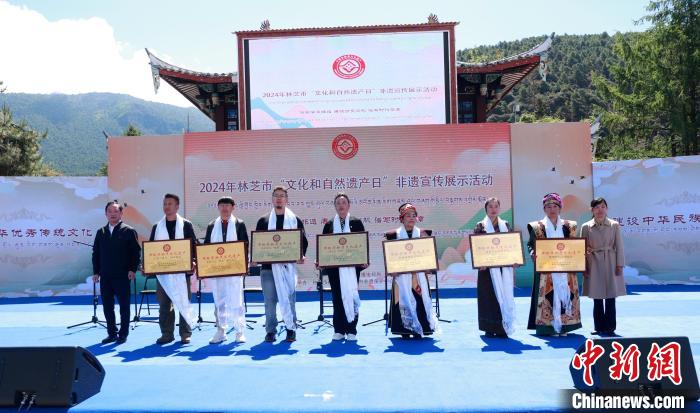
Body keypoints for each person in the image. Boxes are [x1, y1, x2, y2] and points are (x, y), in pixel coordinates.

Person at [254, 186, 308, 343]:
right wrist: (256, 257)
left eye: (282, 195)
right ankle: (271, 331)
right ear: (272, 199)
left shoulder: (294, 220)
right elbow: (258, 244)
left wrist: (300, 255)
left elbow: (303, 241)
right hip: (268, 268)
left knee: (290, 300)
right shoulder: (263, 221)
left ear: (286, 199)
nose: (279, 198)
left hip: (287, 267)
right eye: (276, 195)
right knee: (270, 302)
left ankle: (291, 329)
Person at [526, 193, 582, 336]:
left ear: (560, 208)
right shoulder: (537, 227)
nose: (552, 209)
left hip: (565, 268)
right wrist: (532, 253)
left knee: (566, 294)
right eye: (548, 206)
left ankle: (565, 326)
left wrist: (580, 254)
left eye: (555, 206)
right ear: (544, 209)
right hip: (546, 270)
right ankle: (548, 327)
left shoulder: (569, 226)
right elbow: (531, 244)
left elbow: (574, 245)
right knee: (548, 296)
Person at [149, 193, 198, 344]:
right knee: (164, 305)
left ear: (177, 206)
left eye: (170, 204)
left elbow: (193, 246)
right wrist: (148, 265)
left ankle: (185, 333)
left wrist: (193, 261)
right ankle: (167, 334)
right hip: (163, 274)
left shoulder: (186, 225)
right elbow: (151, 249)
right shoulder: (157, 227)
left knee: (183, 302)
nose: (167, 206)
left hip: (182, 272)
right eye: (165, 204)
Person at [319, 192, 367, 341]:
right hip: (334, 269)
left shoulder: (356, 222)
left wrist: (364, 259)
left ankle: (352, 329)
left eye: (343, 203)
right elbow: (324, 247)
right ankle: (339, 329)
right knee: (337, 298)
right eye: (338, 203)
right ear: (335, 206)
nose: (341, 206)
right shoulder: (329, 225)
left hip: (352, 268)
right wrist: (321, 260)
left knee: (351, 295)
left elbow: (362, 244)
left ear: (349, 205)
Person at [385, 203, 437, 338]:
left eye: (414, 215)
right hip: (401, 277)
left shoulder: (423, 234)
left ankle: (422, 328)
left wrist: (429, 266)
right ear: (402, 219)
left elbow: (428, 254)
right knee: (402, 298)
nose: (412, 218)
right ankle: (405, 329)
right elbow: (390, 255)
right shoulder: (393, 235)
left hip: (419, 276)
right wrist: (391, 269)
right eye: (408, 215)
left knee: (420, 299)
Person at [92, 200, 141, 344]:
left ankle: (123, 334)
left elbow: (135, 252)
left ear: (121, 213)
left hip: (122, 275)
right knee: (108, 306)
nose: (112, 214)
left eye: (115, 211)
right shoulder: (101, 232)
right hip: (105, 276)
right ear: (105, 214)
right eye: (109, 211)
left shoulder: (128, 231)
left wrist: (132, 269)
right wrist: (96, 272)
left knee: (124, 306)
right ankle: (111, 333)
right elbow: (96, 253)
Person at [203, 196, 249, 344]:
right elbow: (206, 247)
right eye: (222, 205)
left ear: (232, 207)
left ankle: (239, 331)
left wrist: (243, 266)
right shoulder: (212, 225)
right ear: (218, 207)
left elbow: (245, 246)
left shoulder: (239, 224)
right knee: (219, 301)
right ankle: (221, 331)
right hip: (217, 270)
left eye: (227, 205)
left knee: (236, 300)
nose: (224, 208)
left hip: (234, 269)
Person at [580, 197, 626, 336]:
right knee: (597, 297)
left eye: (603, 207)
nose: (600, 210)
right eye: (596, 207)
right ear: (592, 210)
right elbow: (582, 248)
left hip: (611, 261)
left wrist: (620, 264)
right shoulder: (586, 226)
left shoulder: (614, 225)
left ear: (607, 209)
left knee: (611, 296)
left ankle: (610, 327)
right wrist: (584, 266)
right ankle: (599, 327)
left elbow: (619, 246)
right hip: (593, 262)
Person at [473, 197, 516, 337]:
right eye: (490, 206)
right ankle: (489, 327)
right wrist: (480, 263)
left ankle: (503, 326)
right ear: (486, 209)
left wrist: (514, 259)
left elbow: (511, 245)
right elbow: (477, 247)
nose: (493, 209)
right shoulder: (480, 225)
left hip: (503, 267)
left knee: (504, 295)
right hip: (486, 269)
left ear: (499, 208)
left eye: (496, 206)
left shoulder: (506, 225)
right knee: (488, 297)